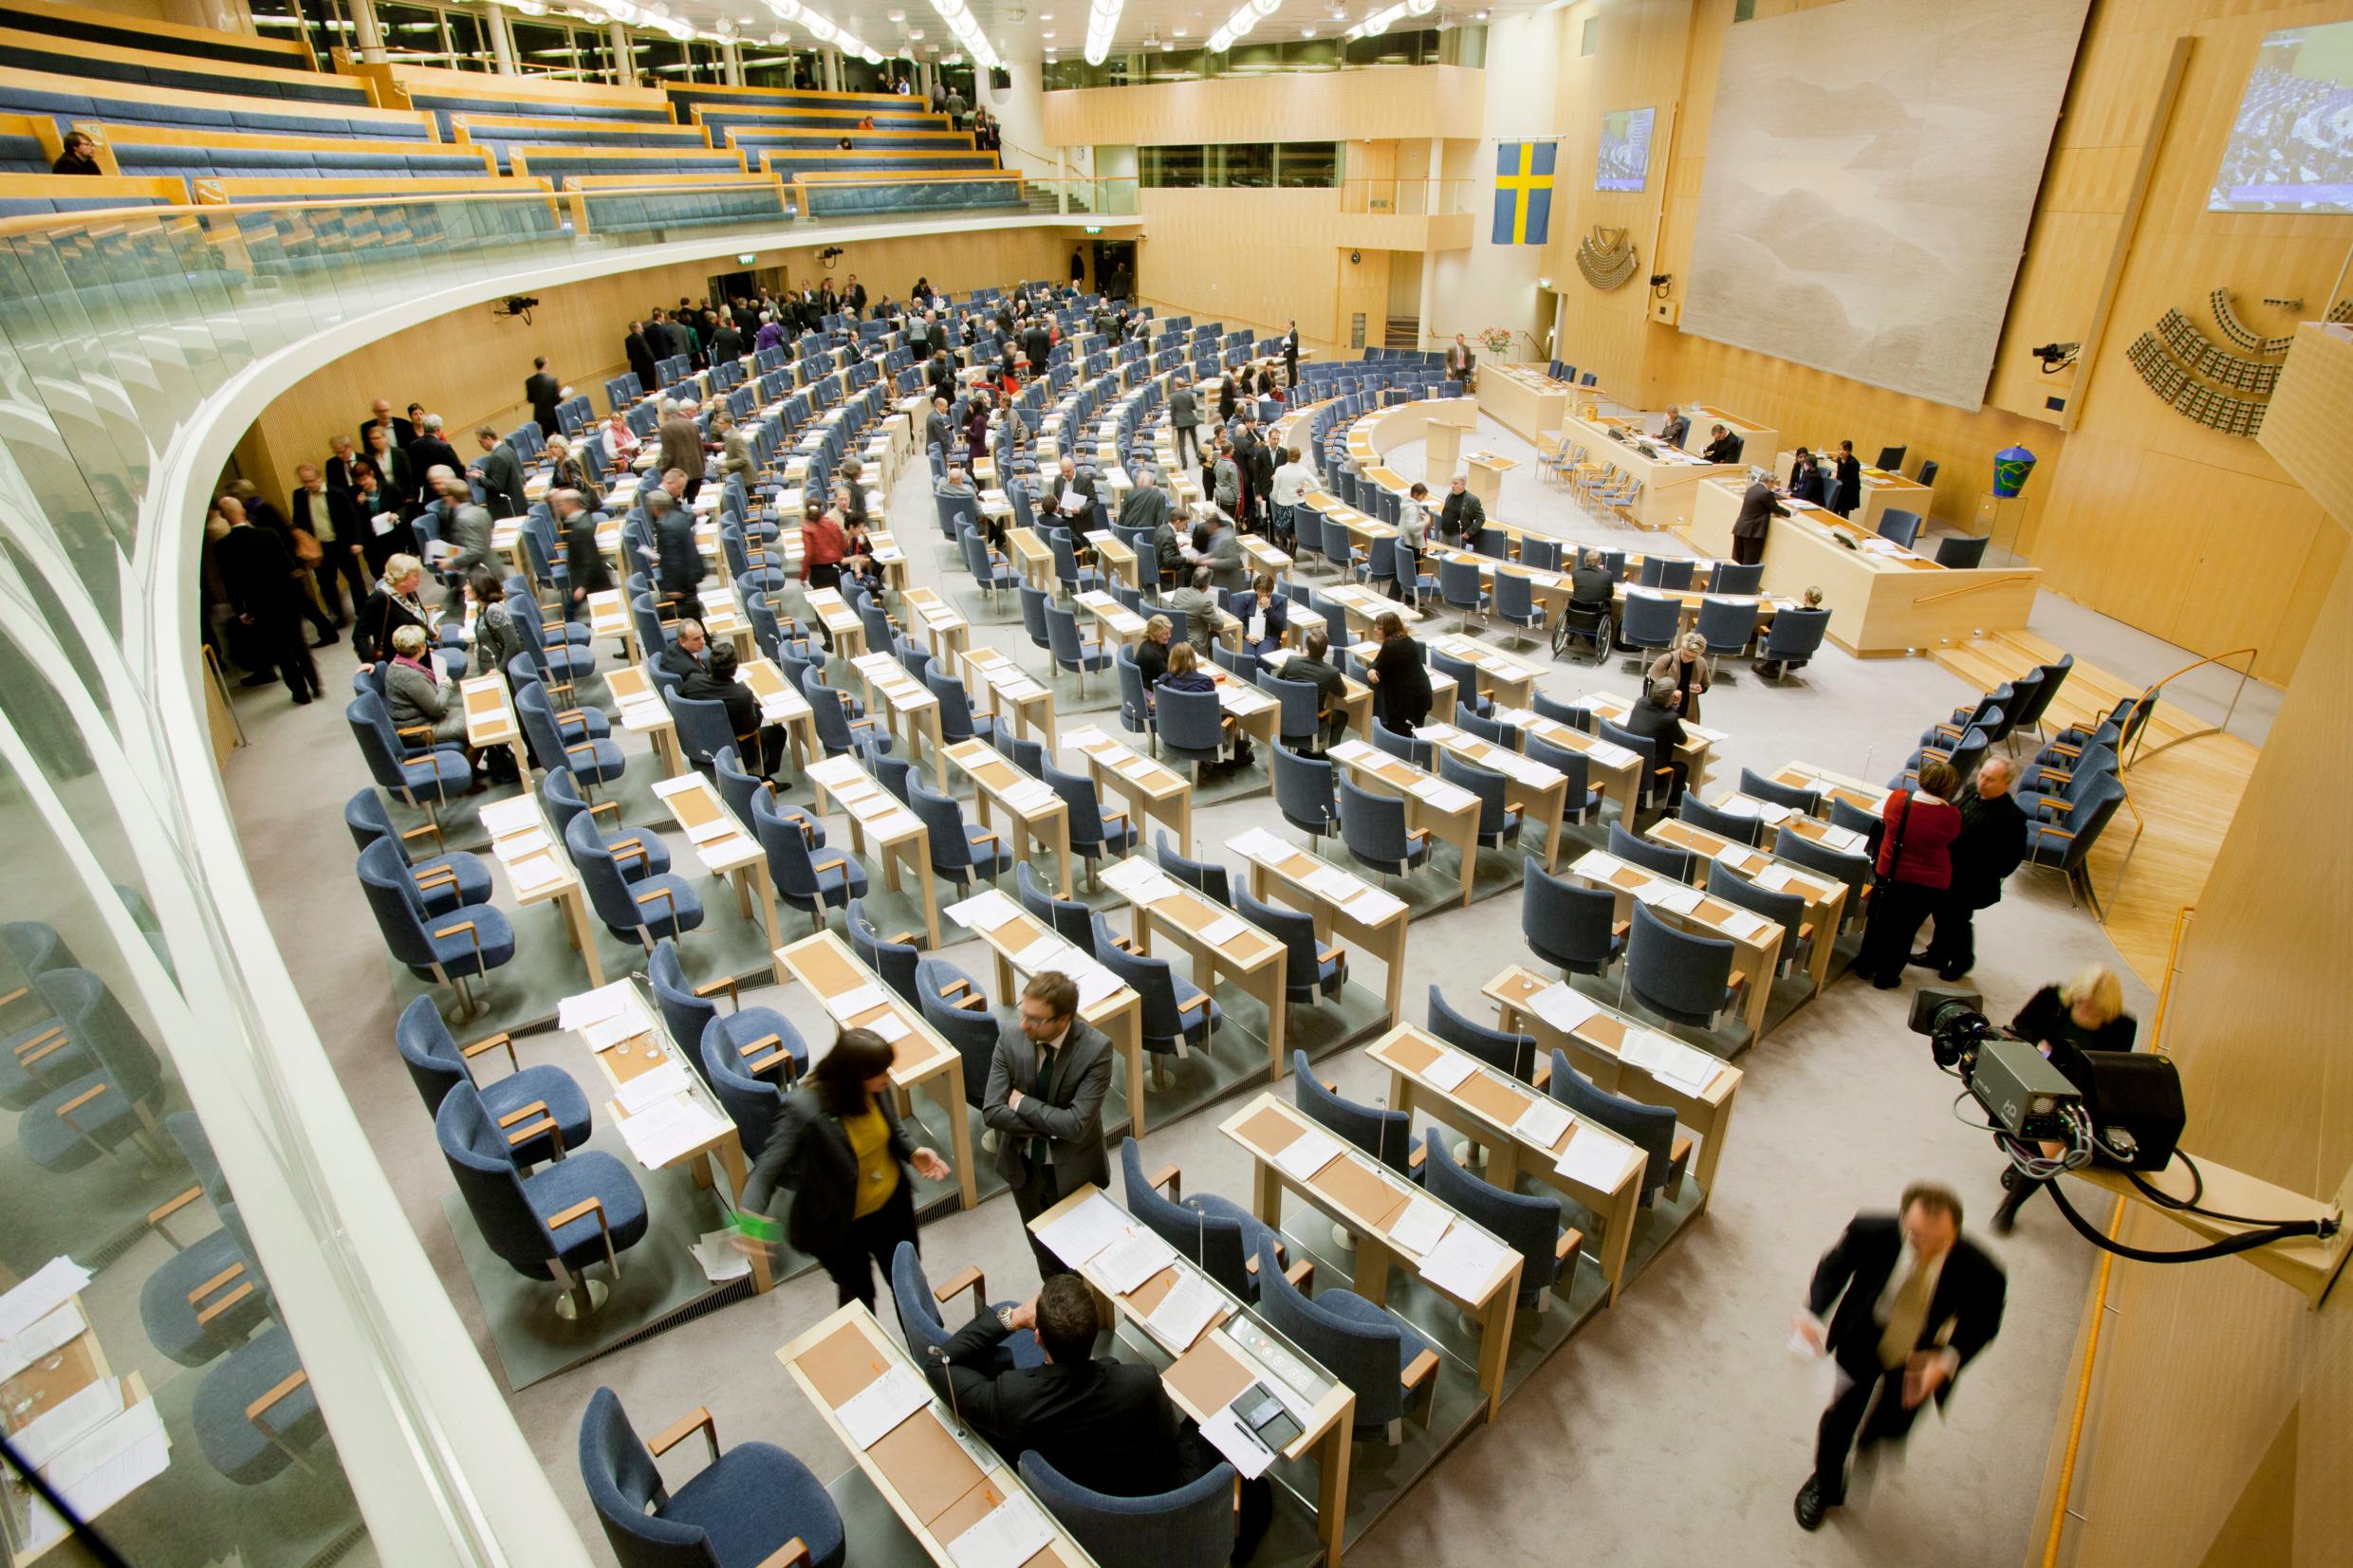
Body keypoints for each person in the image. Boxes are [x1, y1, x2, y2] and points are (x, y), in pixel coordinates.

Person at [1792, 1183, 2007, 1531]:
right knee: (1841, 1415)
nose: (1927, 1249)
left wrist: (1947, 1360)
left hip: (1921, 1355)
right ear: (1903, 1219)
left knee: (1894, 1419)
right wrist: (1811, 1314)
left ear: (1957, 1230)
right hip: (1864, 1336)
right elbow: (1834, 1268)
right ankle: (1826, 1483)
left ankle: (1875, 1437)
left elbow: (1984, 1322)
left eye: (1941, 1241)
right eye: (1917, 1236)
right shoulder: (1871, 1229)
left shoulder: (1983, 1270)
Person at [737, 1028, 953, 1311]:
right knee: (859, 1299)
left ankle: (929, 1352)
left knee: (910, 1288)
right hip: (840, 1225)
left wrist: (912, 1150)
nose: (888, 1078)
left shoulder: (873, 1085)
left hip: (891, 1208)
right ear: (854, 1076)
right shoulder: (804, 1109)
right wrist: (749, 1226)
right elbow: (765, 1171)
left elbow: (889, 1125)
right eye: (880, 1073)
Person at [1986, 966, 2138, 1233]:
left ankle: (2010, 1204)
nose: (2087, 1010)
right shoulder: (2050, 998)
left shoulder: (2123, 1026)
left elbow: (2109, 1070)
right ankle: (2019, 1159)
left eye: (2095, 1008)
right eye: (2082, 1003)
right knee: (2015, 1129)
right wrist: (2039, 1044)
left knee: (2047, 1152)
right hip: (2035, 1076)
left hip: (2074, 1094)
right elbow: (2021, 1025)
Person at [984, 972, 1113, 1281]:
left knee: (1080, 1257)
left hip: (1074, 1171)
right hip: (1023, 1167)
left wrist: (1021, 1103)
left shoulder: (1096, 1050)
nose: (1024, 1024)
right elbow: (992, 1111)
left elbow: (1076, 1125)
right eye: (1023, 1012)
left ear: (1063, 1019)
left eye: (1036, 1019)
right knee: (1043, 1252)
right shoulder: (1011, 1036)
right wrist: (1051, 1126)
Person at [1856, 756, 1964, 989]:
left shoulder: (1898, 801)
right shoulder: (1950, 817)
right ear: (1948, 788)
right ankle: (1886, 977)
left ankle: (1865, 966)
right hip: (1926, 883)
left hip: (1890, 873)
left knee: (1877, 922)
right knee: (1905, 932)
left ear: (1921, 779)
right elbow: (1951, 838)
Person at [1917, 756, 2028, 981]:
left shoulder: (2012, 817)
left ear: (2006, 784)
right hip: (1947, 871)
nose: (1983, 782)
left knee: (1957, 921)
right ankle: (1937, 954)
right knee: (1941, 914)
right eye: (1982, 775)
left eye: (1990, 779)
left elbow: (2011, 859)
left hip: (1971, 881)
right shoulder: (1971, 791)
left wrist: (1981, 870)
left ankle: (1962, 961)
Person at [215, 495, 320, 704]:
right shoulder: (268, 534)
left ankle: (300, 692)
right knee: (299, 643)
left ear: (225, 518)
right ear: (243, 512)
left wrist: (240, 610)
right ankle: (315, 683)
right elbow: (289, 566)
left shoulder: (222, 547)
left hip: (259, 605)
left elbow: (230, 581)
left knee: (281, 650)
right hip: (284, 599)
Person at [682, 639, 786, 779]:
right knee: (778, 732)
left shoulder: (693, 681)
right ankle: (763, 778)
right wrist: (757, 707)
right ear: (735, 669)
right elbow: (750, 728)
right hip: (734, 750)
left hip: (699, 746)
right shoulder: (742, 694)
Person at [287, 462, 365, 627]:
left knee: (355, 579)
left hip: (342, 544)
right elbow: (299, 521)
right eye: (304, 482)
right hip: (320, 548)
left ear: (320, 477)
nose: (308, 485)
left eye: (311, 480)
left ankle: (363, 611)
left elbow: (353, 518)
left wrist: (357, 541)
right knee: (326, 584)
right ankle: (339, 614)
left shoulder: (337, 493)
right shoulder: (300, 496)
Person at [356, 553, 435, 670]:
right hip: (400, 665)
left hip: (421, 657)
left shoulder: (409, 592)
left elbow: (416, 618)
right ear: (401, 578)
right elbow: (359, 635)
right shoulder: (379, 599)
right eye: (415, 575)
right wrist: (368, 661)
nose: (419, 579)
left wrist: (431, 630)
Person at [431, 473, 493, 617]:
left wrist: (451, 562)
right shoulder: (480, 511)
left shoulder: (463, 519)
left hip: (478, 573)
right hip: (489, 564)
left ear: (451, 498)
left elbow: (475, 549)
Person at [1621, 676, 1690, 805]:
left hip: (1630, 764)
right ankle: (1669, 810)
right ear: (1670, 697)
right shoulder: (1670, 718)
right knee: (1682, 768)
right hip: (1651, 775)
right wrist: (1675, 705)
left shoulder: (1640, 703)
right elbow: (1682, 740)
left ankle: (1638, 804)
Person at [1364, 610, 1431, 732]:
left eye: (1379, 628)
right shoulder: (1400, 639)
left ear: (1389, 629)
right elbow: (1378, 662)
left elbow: (1379, 667)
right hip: (1414, 691)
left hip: (1410, 697)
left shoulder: (1392, 646)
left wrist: (1371, 670)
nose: (1375, 630)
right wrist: (1372, 669)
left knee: (1406, 732)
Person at [647, 487, 702, 623]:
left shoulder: (666, 527)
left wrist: (673, 588)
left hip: (681, 581)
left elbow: (673, 559)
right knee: (692, 615)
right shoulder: (677, 516)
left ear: (655, 507)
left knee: (686, 616)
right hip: (691, 573)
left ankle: (703, 639)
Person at [552, 489, 610, 616]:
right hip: (591, 577)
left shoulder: (581, 529)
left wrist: (582, 586)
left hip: (588, 579)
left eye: (560, 504)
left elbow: (590, 560)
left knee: (568, 610)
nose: (558, 508)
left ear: (571, 504)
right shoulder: (582, 518)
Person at [1288, 629, 1348, 747]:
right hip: (1313, 721)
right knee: (1343, 716)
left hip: (1288, 717)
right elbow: (1343, 692)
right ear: (1326, 651)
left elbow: (1279, 680)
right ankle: (1332, 754)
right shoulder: (1331, 672)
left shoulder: (1292, 661)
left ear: (1307, 648)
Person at [1753, 585, 1825, 679]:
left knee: (1768, 627)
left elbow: (1776, 627)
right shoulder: (1821, 616)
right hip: (1804, 650)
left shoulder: (1795, 614)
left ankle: (1767, 658)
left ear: (1806, 597)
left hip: (1784, 646)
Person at [466, 565, 522, 684]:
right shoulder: (480, 608)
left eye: (468, 584)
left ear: (479, 587)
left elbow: (513, 643)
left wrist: (500, 669)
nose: (465, 588)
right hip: (488, 667)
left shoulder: (493, 611)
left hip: (500, 670)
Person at [1648, 631, 1714, 722]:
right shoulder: (1667, 659)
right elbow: (1649, 683)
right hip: (1663, 706)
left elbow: (1705, 685)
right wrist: (1670, 692)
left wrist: (1700, 689)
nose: (1687, 659)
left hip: (1687, 707)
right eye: (1685, 654)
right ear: (1682, 647)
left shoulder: (1701, 662)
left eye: (1692, 657)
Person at [470, 426, 529, 520]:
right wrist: (485, 475)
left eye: (480, 441)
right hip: (519, 502)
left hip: (508, 509)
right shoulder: (507, 449)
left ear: (488, 438)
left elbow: (497, 486)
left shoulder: (498, 457)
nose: (480, 445)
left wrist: (479, 478)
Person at [1731, 472, 1788, 567]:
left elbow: (1759, 506)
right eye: (1774, 483)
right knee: (1749, 564)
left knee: (1737, 561)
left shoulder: (1751, 489)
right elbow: (1776, 508)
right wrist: (1790, 513)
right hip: (1753, 533)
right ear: (1770, 481)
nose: (1773, 486)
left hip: (1740, 528)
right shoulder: (1766, 493)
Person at [1163, 565, 1221, 654]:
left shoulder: (1179, 591)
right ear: (1207, 584)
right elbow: (1219, 625)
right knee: (1215, 636)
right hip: (1194, 645)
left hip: (1175, 639)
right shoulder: (1205, 602)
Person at [1189, 503, 1245, 592]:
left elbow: (1233, 561)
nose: (1207, 529)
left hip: (1228, 581)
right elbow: (1218, 552)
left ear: (1214, 525)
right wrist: (1203, 557)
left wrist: (1213, 562)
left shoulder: (1227, 538)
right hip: (1218, 579)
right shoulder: (1215, 535)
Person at [407, 416, 461, 507]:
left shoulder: (413, 445)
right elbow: (458, 468)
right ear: (438, 429)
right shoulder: (444, 446)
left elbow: (413, 470)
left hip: (426, 492)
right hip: (447, 490)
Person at [1567, 547, 1617, 644]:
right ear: (1600, 562)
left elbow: (1577, 590)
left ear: (1585, 560)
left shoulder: (1576, 573)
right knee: (1609, 606)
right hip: (1596, 612)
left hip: (1576, 609)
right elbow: (1610, 595)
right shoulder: (1607, 575)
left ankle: (1572, 632)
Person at [1391, 482, 1431, 602]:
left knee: (1403, 571)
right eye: (1422, 496)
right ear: (1415, 494)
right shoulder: (1412, 508)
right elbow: (1412, 527)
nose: (1423, 499)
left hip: (1406, 541)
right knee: (1412, 573)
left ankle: (1404, 598)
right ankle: (1410, 598)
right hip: (1411, 543)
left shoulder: (1407, 504)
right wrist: (1426, 522)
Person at [658, 400, 703, 502]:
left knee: (680, 503)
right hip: (697, 468)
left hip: (679, 473)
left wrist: (663, 470)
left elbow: (668, 454)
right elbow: (700, 447)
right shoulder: (691, 424)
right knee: (696, 501)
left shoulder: (666, 428)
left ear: (664, 412)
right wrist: (702, 466)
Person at [1269, 444, 1310, 551]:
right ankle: (1292, 558)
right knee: (1294, 533)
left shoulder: (1280, 470)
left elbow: (1274, 492)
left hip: (1284, 505)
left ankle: (1281, 555)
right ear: (1299, 457)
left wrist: (1278, 501)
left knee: (1279, 533)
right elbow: (1317, 486)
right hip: (1299, 505)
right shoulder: (1303, 470)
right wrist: (1304, 491)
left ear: (1287, 456)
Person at [361, 421, 412, 508]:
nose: (374, 442)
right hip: (386, 495)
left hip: (403, 493)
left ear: (385, 437)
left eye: (377, 438)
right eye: (371, 439)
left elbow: (408, 474)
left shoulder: (399, 453)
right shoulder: (371, 457)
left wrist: (410, 495)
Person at [1239, 573, 1288, 661]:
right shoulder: (1247, 600)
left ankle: (1261, 675)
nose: (1264, 595)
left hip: (1268, 638)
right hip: (1249, 636)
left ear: (1271, 591)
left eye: (1267, 591)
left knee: (1262, 658)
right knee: (1247, 657)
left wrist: (1268, 608)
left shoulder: (1278, 603)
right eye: (1261, 591)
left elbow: (1281, 625)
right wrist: (1246, 635)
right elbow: (1239, 621)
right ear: (1256, 590)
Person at [1044, 454, 1097, 525]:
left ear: (1073, 467)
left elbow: (1093, 500)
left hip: (1082, 521)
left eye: (1068, 471)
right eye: (1063, 471)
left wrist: (1080, 509)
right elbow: (1056, 497)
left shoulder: (1086, 480)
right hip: (1064, 520)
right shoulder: (1058, 479)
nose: (1065, 474)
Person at [1437, 474, 1486, 549]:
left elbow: (1481, 518)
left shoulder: (1472, 500)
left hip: (1457, 537)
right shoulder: (1450, 494)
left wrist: (1468, 533)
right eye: (1452, 483)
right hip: (1443, 535)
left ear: (1463, 484)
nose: (1452, 486)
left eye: (1455, 483)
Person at [657, 618, 709, 684]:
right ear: (682, 641)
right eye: (696, 639)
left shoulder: (673, 645)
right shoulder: (692, 671)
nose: (703, 642)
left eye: (702, 636)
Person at [1135, 614, 1175, 692]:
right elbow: (1167, 677)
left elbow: (1169, 661)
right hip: (1152, 690)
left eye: (1169, 632)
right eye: (1166, 633)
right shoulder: (1152, 654)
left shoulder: (1157, 643)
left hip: (1157, 681)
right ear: (1155, 633)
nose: (1169, 636)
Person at [1168, 378, 1201, 468]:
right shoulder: (1188, 394)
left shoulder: (1173, 396)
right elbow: (1193, 406)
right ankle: (1199, 457)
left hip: (1180, 422)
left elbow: (1172, 411)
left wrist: (1173, 423)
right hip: (1190, 419)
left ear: (1176, 385)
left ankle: (1184, 463)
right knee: (1194, 439)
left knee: (1181, 442)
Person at [524, 357, 562, 434]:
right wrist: (562, 396)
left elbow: (530, 399)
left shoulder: (529, 381)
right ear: (545, 365)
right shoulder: (552, 380)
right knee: (561, 436)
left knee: (546, 437)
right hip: (554, 415)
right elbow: (557, 399)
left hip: (540, 416)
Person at [1830, 440, 1862, 517]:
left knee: (1844, 514)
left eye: (1844, 450)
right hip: (1840, 488)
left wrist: (1838, 480)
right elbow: (1839, 473)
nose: (1841, 452)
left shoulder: (1853, 463)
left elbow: (1852, 480)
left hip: (1849, 491)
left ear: (1849, 451)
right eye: (1840, 449)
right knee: (1834, 510)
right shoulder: (1839, 459)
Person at [624, 321, 658, 392]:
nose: (642, 327)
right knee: (651, 388)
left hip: (636, 368)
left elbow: (629, 355)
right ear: (636, 328)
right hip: (647, 368)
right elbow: (648, 352)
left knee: (643, 388)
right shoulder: (641, 338)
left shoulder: (627, 340)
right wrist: (654, 362)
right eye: (640, 326)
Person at [1281, 318, 1302, 387]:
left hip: (1291, 355)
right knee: (1291, 371)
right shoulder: (1292, 332)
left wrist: (1285, 345)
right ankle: (1290, 385)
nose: (1287, 325)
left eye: (1288, 324)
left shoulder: (1294, 333)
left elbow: (1294, 344)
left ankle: (1292, 386)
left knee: (1292, 371)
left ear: (1291, 325)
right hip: (1290, 355)